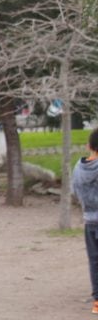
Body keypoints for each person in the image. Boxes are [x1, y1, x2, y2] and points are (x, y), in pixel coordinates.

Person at [72, 128, 98, 315]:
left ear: (88, 146)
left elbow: (75, 192)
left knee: (94, 260)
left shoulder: (78, 167)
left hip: (90, 220)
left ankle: (97, 300)